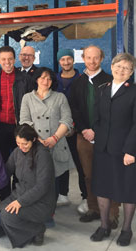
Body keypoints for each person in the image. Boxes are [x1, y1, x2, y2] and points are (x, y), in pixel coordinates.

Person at [90, 53, 136, 246]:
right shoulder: (102, 89)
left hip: (126, 151)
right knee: (103, 188)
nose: (121, 70)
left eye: (126, 68)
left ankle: (126, 229)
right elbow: (96, 118)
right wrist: (99, 139)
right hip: (103, 149)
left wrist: (131, 150)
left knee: (128, 189)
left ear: (131, 72)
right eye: (118, 66)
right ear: (112, 65)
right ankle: (104, 225)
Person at [69, 45, 119, 227]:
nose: (92, 61)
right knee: (88, 175)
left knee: (108, 174)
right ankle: (93, 208)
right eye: (88, 57)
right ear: (83, 58)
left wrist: (96, 130)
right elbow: (74, 108)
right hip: (84, 137)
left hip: (106, 137)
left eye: (95, 58)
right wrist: (83, 129)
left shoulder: (110, 81)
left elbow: (113, 110)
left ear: (102, 58)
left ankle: (113, 213)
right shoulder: (78, 83)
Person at [0, 124, 55, 248]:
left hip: (41, 202)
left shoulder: (43, 155)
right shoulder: (17, 152)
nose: (21, 147)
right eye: (18, 143)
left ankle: (38, 229)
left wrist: (20, 202)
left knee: (7, 216)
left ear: (33, 140)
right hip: (19, 194)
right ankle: (24, 229)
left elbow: (42, 187)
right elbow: (5, 172)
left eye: (25, 143)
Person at [19, 67, 75, 206]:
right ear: (36, 79)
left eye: (49, 78)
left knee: (54, 180)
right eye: (43, 77)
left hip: (56, 143)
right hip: (36, 144)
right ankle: (38, 209)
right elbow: (24, 121)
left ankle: (50, 212)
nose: (46, 81)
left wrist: (54, 138)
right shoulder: (27, 97)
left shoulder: (60, 97)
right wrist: (37, 139)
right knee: (37, 179)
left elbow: (67, 120)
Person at [0, 46, 33, 200]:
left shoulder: (25, 79)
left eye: (10, 59)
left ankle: (19, 194)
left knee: (21, 163)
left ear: (14, 59)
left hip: (19, 127)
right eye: (3, 59)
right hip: (1, 126)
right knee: (3, 163)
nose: (7, 62)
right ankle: (4, 196)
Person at [56, 49, 85, 210]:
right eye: (63, 59)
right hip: (59, 129)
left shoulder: (81, 80)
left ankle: (86, 197)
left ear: (73, 60)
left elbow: (82, 106)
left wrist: (74, 125)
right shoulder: (55, 79)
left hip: (76, 129)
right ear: (59, 62)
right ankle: (62, 194)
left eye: (68, 59)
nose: (66, 62)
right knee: (61, 161)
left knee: (81, 163)